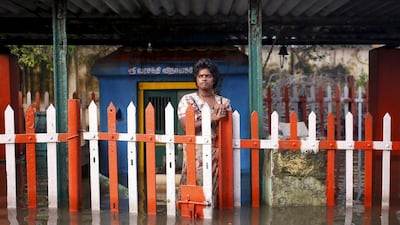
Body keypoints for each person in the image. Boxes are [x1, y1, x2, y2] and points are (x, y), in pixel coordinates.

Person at [177, 58, 231, 207]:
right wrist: (212, 118)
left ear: (214, 79)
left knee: (216, 190)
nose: (204, 79)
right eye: (201, 76)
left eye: (208, 76)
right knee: (193, 188)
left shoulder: (223, 102)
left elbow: (227, 127)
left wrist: (219, 117)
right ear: (196, 79)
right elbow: (186, 126)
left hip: (218, 151)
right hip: (195, 152)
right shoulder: (188, 100)